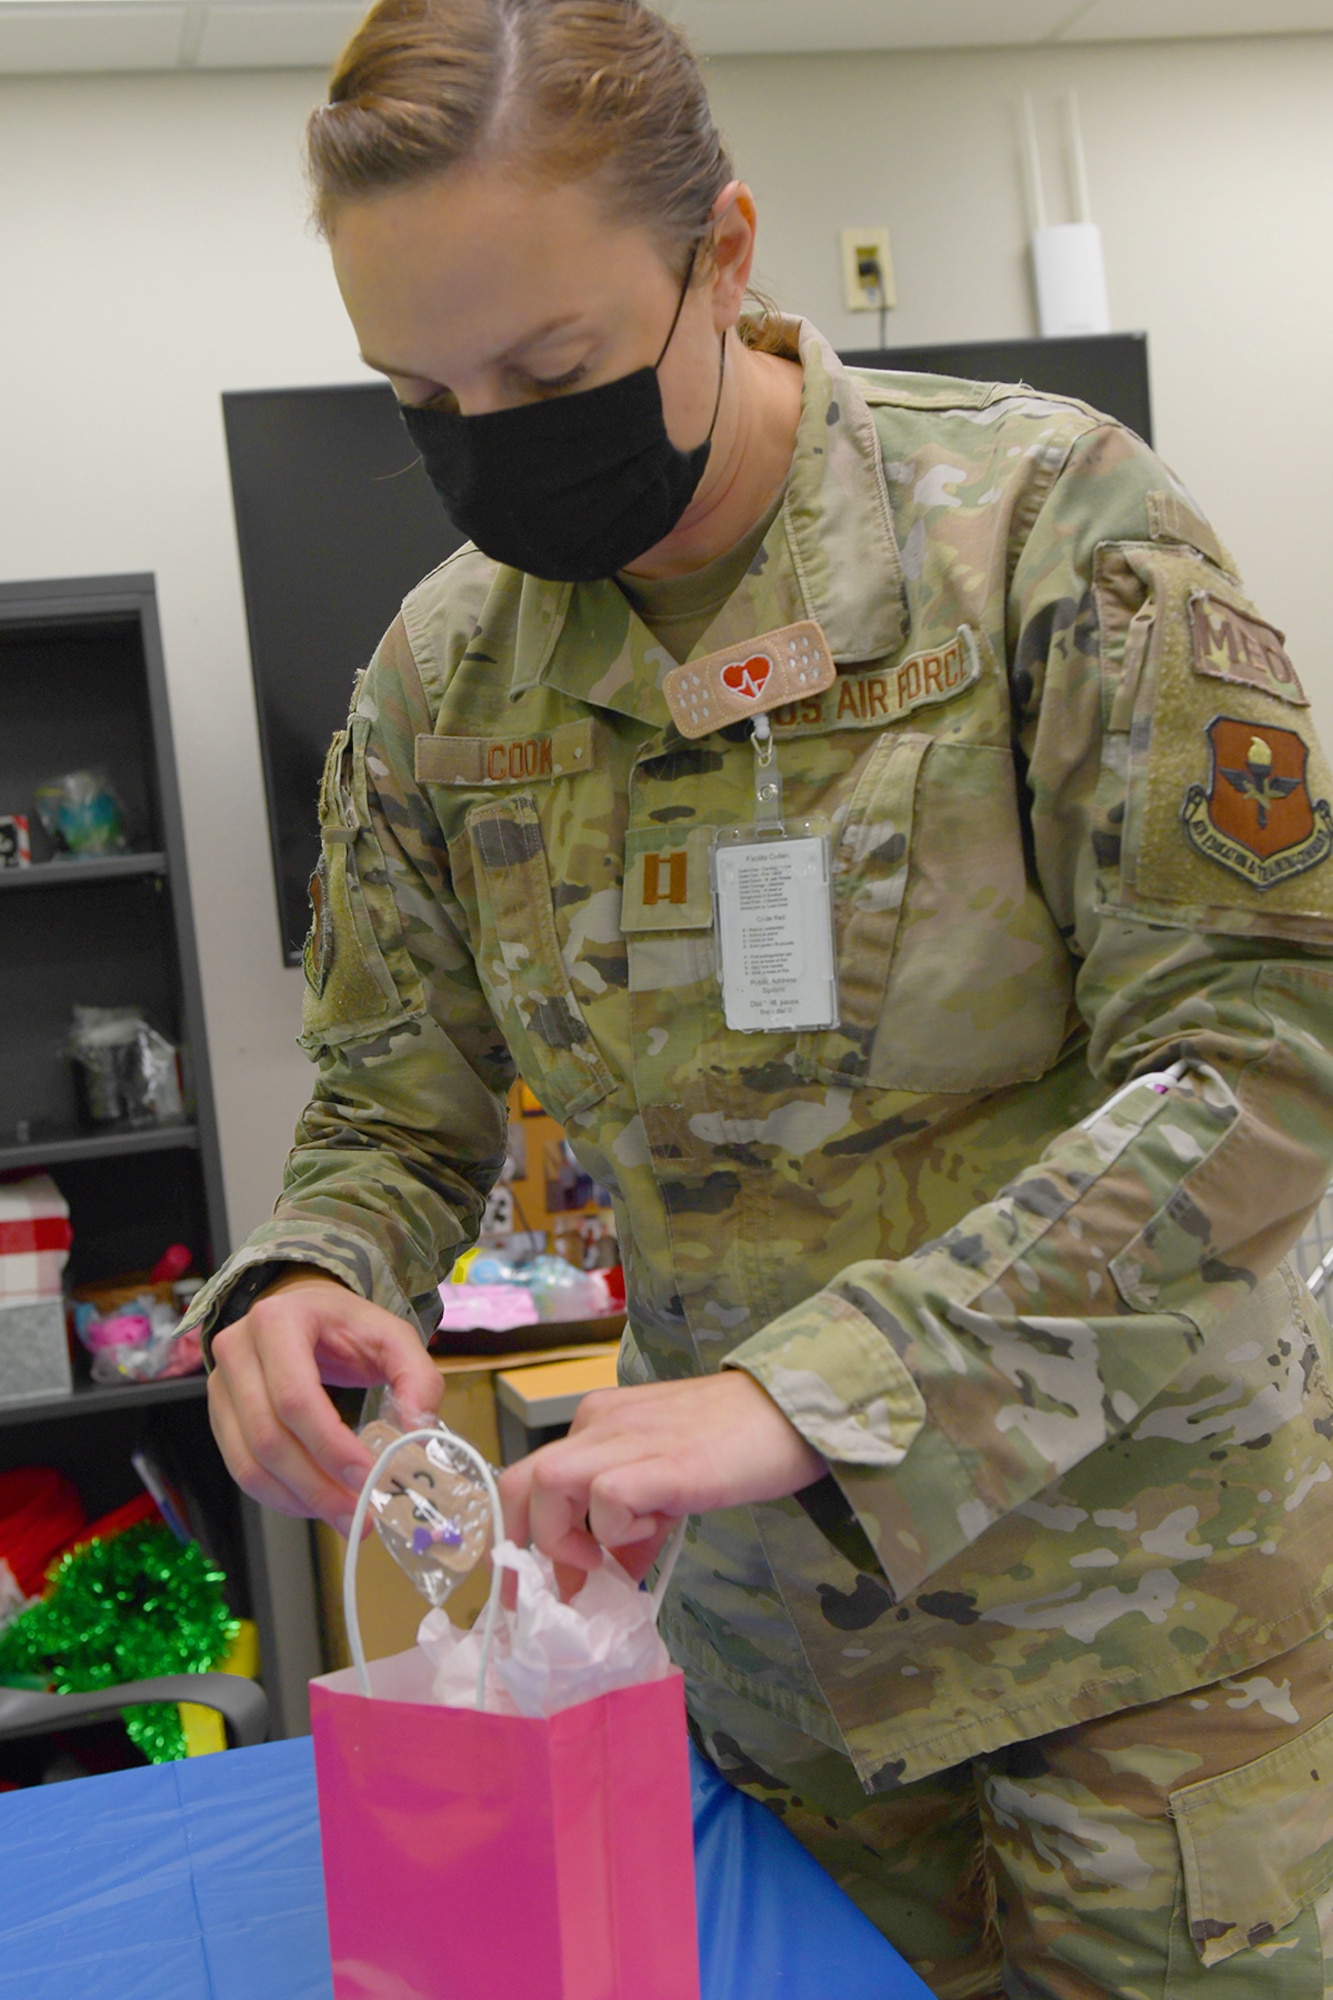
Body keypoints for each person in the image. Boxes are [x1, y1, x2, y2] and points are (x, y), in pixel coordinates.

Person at [185, 1, 1333, 1991]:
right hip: (772, 1692)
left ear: (722, 254)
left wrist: (813, 1389)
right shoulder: (443, 684)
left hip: (1149, 1650)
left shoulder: (1046, 536)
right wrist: (304, 1274)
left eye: (546, 370)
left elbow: (1264, 1058)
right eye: (418, 398)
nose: (488, 446)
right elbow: (389, 1101)